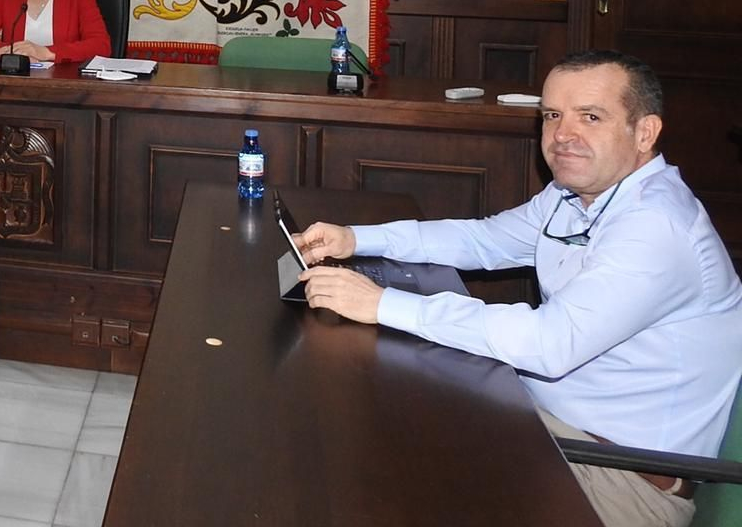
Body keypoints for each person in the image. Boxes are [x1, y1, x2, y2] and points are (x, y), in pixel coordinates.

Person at [295, 50, 742, 527]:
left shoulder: (657, 226)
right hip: (548, 428)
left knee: (383, 475)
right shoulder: (577, 196)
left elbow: (548, 343)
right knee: (374, 427)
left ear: (645, 132)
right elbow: (483, 239)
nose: (563, 135)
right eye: (552, 115)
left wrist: (381, 303)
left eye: (590, 117)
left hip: (619, 479)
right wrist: (356, 238)